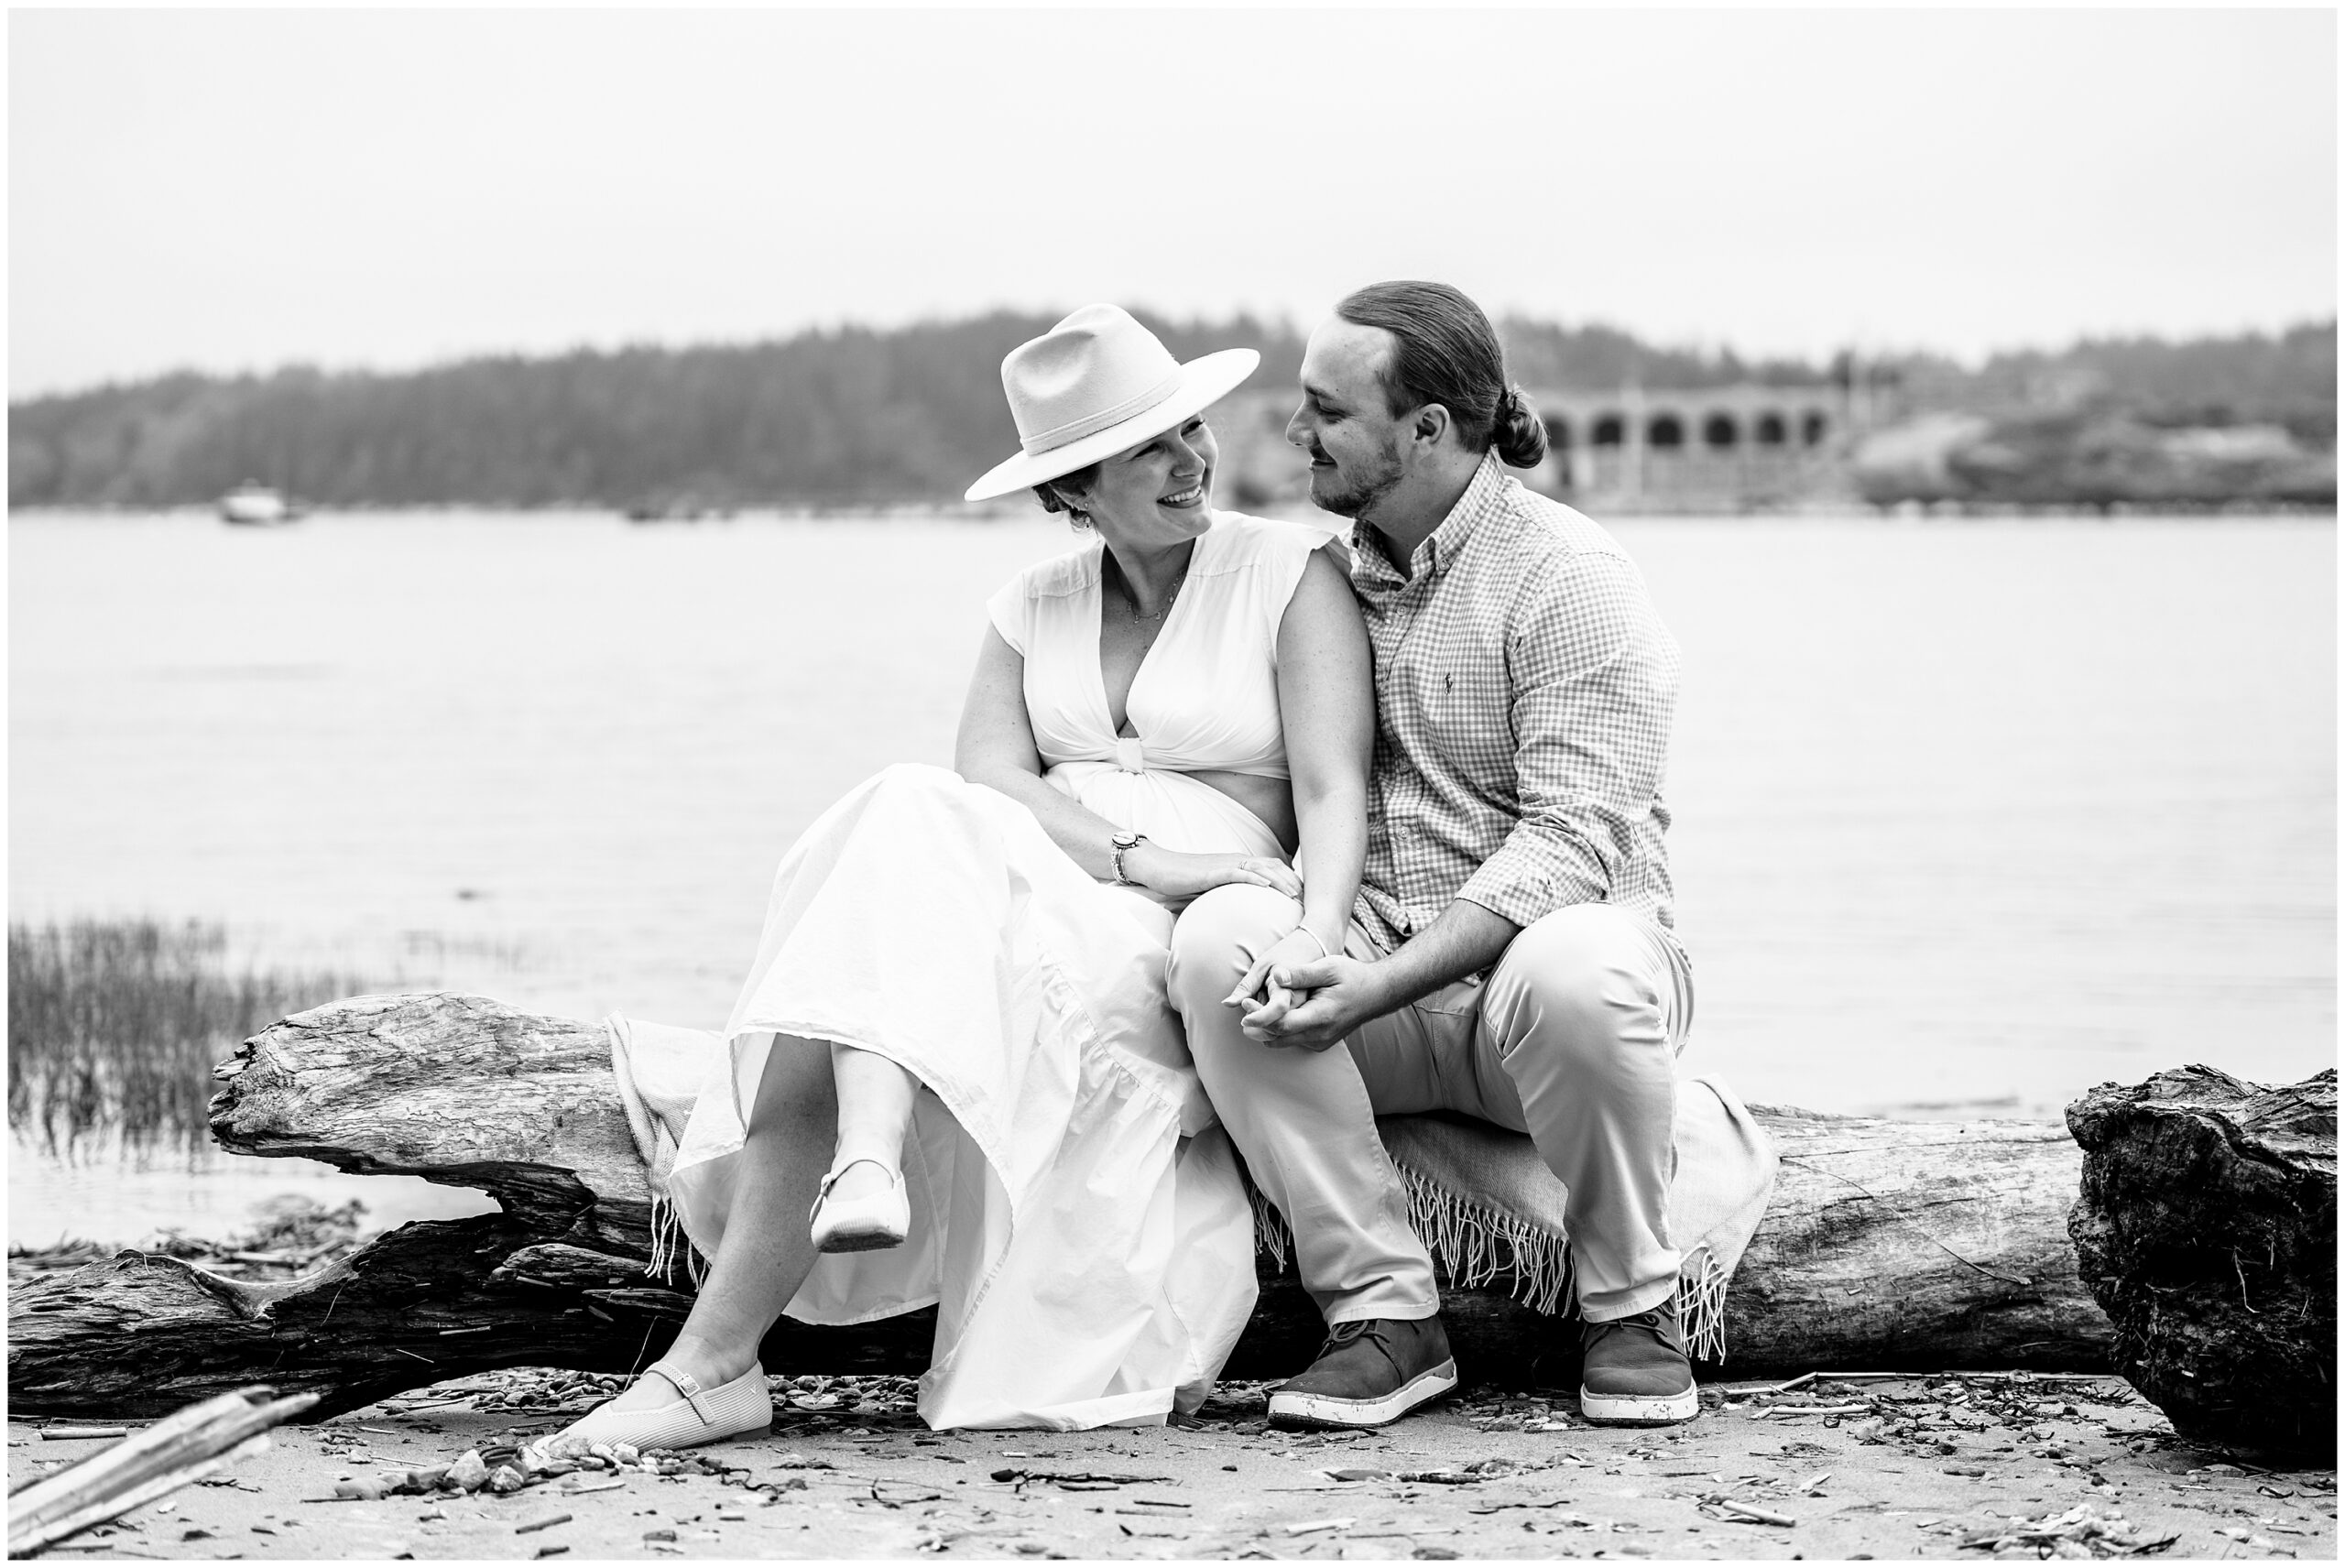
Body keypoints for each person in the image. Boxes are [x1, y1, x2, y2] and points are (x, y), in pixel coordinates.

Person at [542, 304, 1373, 1445]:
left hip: (1190, 921)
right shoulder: (1032, 604)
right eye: (1149, 447)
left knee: (872, 915)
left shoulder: (1286, 572)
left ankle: (730, 1342)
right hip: (1050, 882)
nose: (1191, 459)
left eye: (1189, 430)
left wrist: (1307, 923)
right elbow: (989, 778)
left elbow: (1332, 788)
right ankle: (843, 1191)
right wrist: (1139, 855)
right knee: (901, 805)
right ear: (1073, 485)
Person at [1166, 280, 1699, 1432]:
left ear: (1428, 431)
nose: (1293, 433)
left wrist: (1373, 982)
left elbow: (1570, 844)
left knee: (1578, 964)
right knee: (1217, 945)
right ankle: (1386, 1313)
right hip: (1383, 991)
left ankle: (1632, 1302)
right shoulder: (1311, 581)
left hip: (1546, 1010)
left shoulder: (1570, 577)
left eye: (1324, 410)